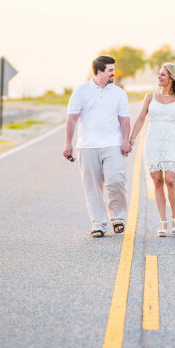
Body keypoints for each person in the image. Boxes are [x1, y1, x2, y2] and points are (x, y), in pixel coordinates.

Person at [64, 56, 132, 238]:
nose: (113, 73)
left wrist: (125, 140)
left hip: (113, 145)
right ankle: (98, 224)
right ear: (99, 71)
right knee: (92, 187)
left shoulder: (119, 93)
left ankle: (117, 217)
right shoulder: (81, 91)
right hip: (87, 146)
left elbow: (125, 120)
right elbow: (71, 119)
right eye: (110, 70)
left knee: (116, 180)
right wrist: (67, 143)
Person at [129, 63, 175, 237]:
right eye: (159, 74)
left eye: (162, 75)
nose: (159, 77)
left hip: (171, 142)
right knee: (157, 181)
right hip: (153, 142)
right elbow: (140, 119)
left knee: (170, 179)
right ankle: (163, 220)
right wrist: (131, 139)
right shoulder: (150, 97)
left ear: (171, 78)